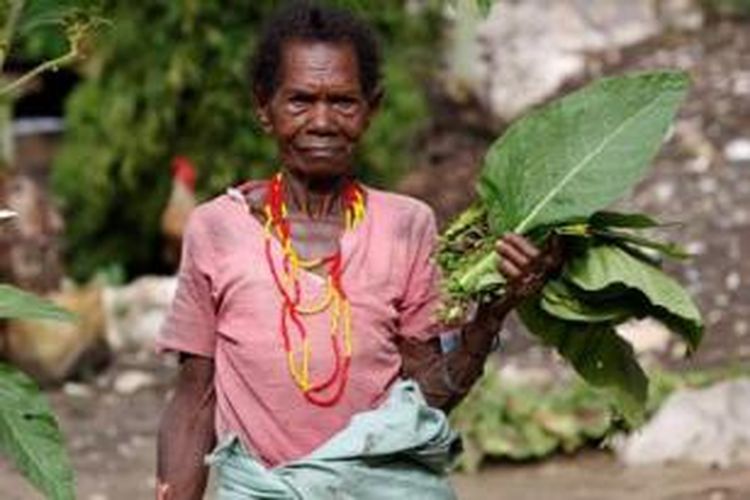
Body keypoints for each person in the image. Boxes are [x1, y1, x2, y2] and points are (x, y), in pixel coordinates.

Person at [155, 2, 562, 499]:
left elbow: (425, 400)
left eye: (343, 102)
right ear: (265, 108)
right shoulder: (217, 228)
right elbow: (194, 399)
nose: (322, 121)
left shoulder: (405, 227)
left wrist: (492, 315)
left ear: (372, 109)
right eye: (300, 101)